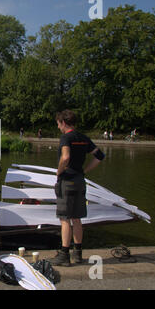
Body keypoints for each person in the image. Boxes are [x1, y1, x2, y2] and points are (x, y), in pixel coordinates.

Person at [50, 110, 105, 267]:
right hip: (80, 181)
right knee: (77, 218)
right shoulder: (83, 138)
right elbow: (100, 156)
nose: (58, 127)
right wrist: (85, 171)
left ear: (64, 123)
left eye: (59, 124)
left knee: (65, 219)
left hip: (67, 181)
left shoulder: (66, 137)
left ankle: (64, 255)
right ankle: (78, 254)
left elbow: (65, 157)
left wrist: (59, 171)